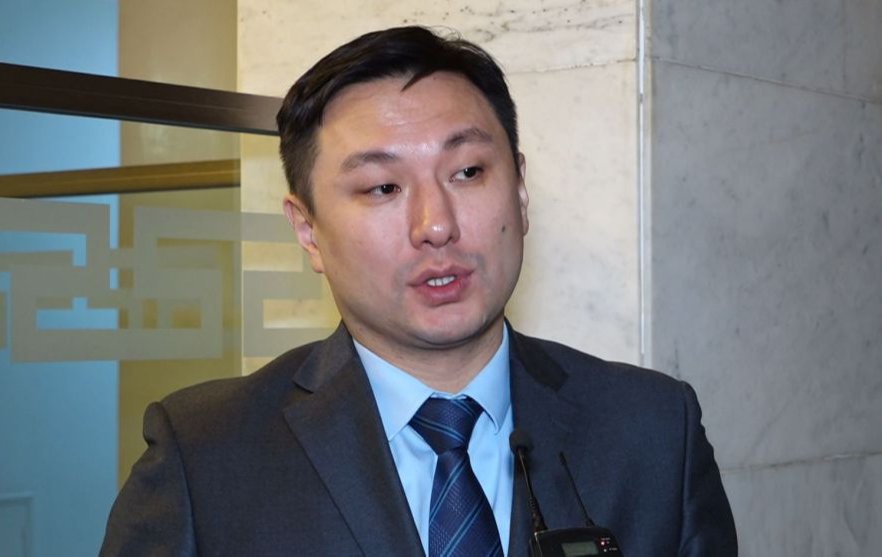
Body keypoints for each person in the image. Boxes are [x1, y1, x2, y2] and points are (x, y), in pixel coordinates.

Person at [100, 26, 737, 556]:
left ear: (520, 190)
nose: (436, 224)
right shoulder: (206, 455)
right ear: (308, 231)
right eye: (383, 187)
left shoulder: (654, 429)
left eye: (468, 171)